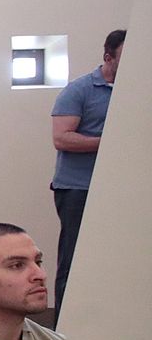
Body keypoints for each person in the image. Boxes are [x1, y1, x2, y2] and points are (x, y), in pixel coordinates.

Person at [48, 29, 124, 315]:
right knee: (74, 260)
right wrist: (110, 142)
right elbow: (61, 138)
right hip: (78, 189)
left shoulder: (138, 92)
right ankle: (64, 327)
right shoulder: (79, 90)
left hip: (120, 189)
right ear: (108, 57)